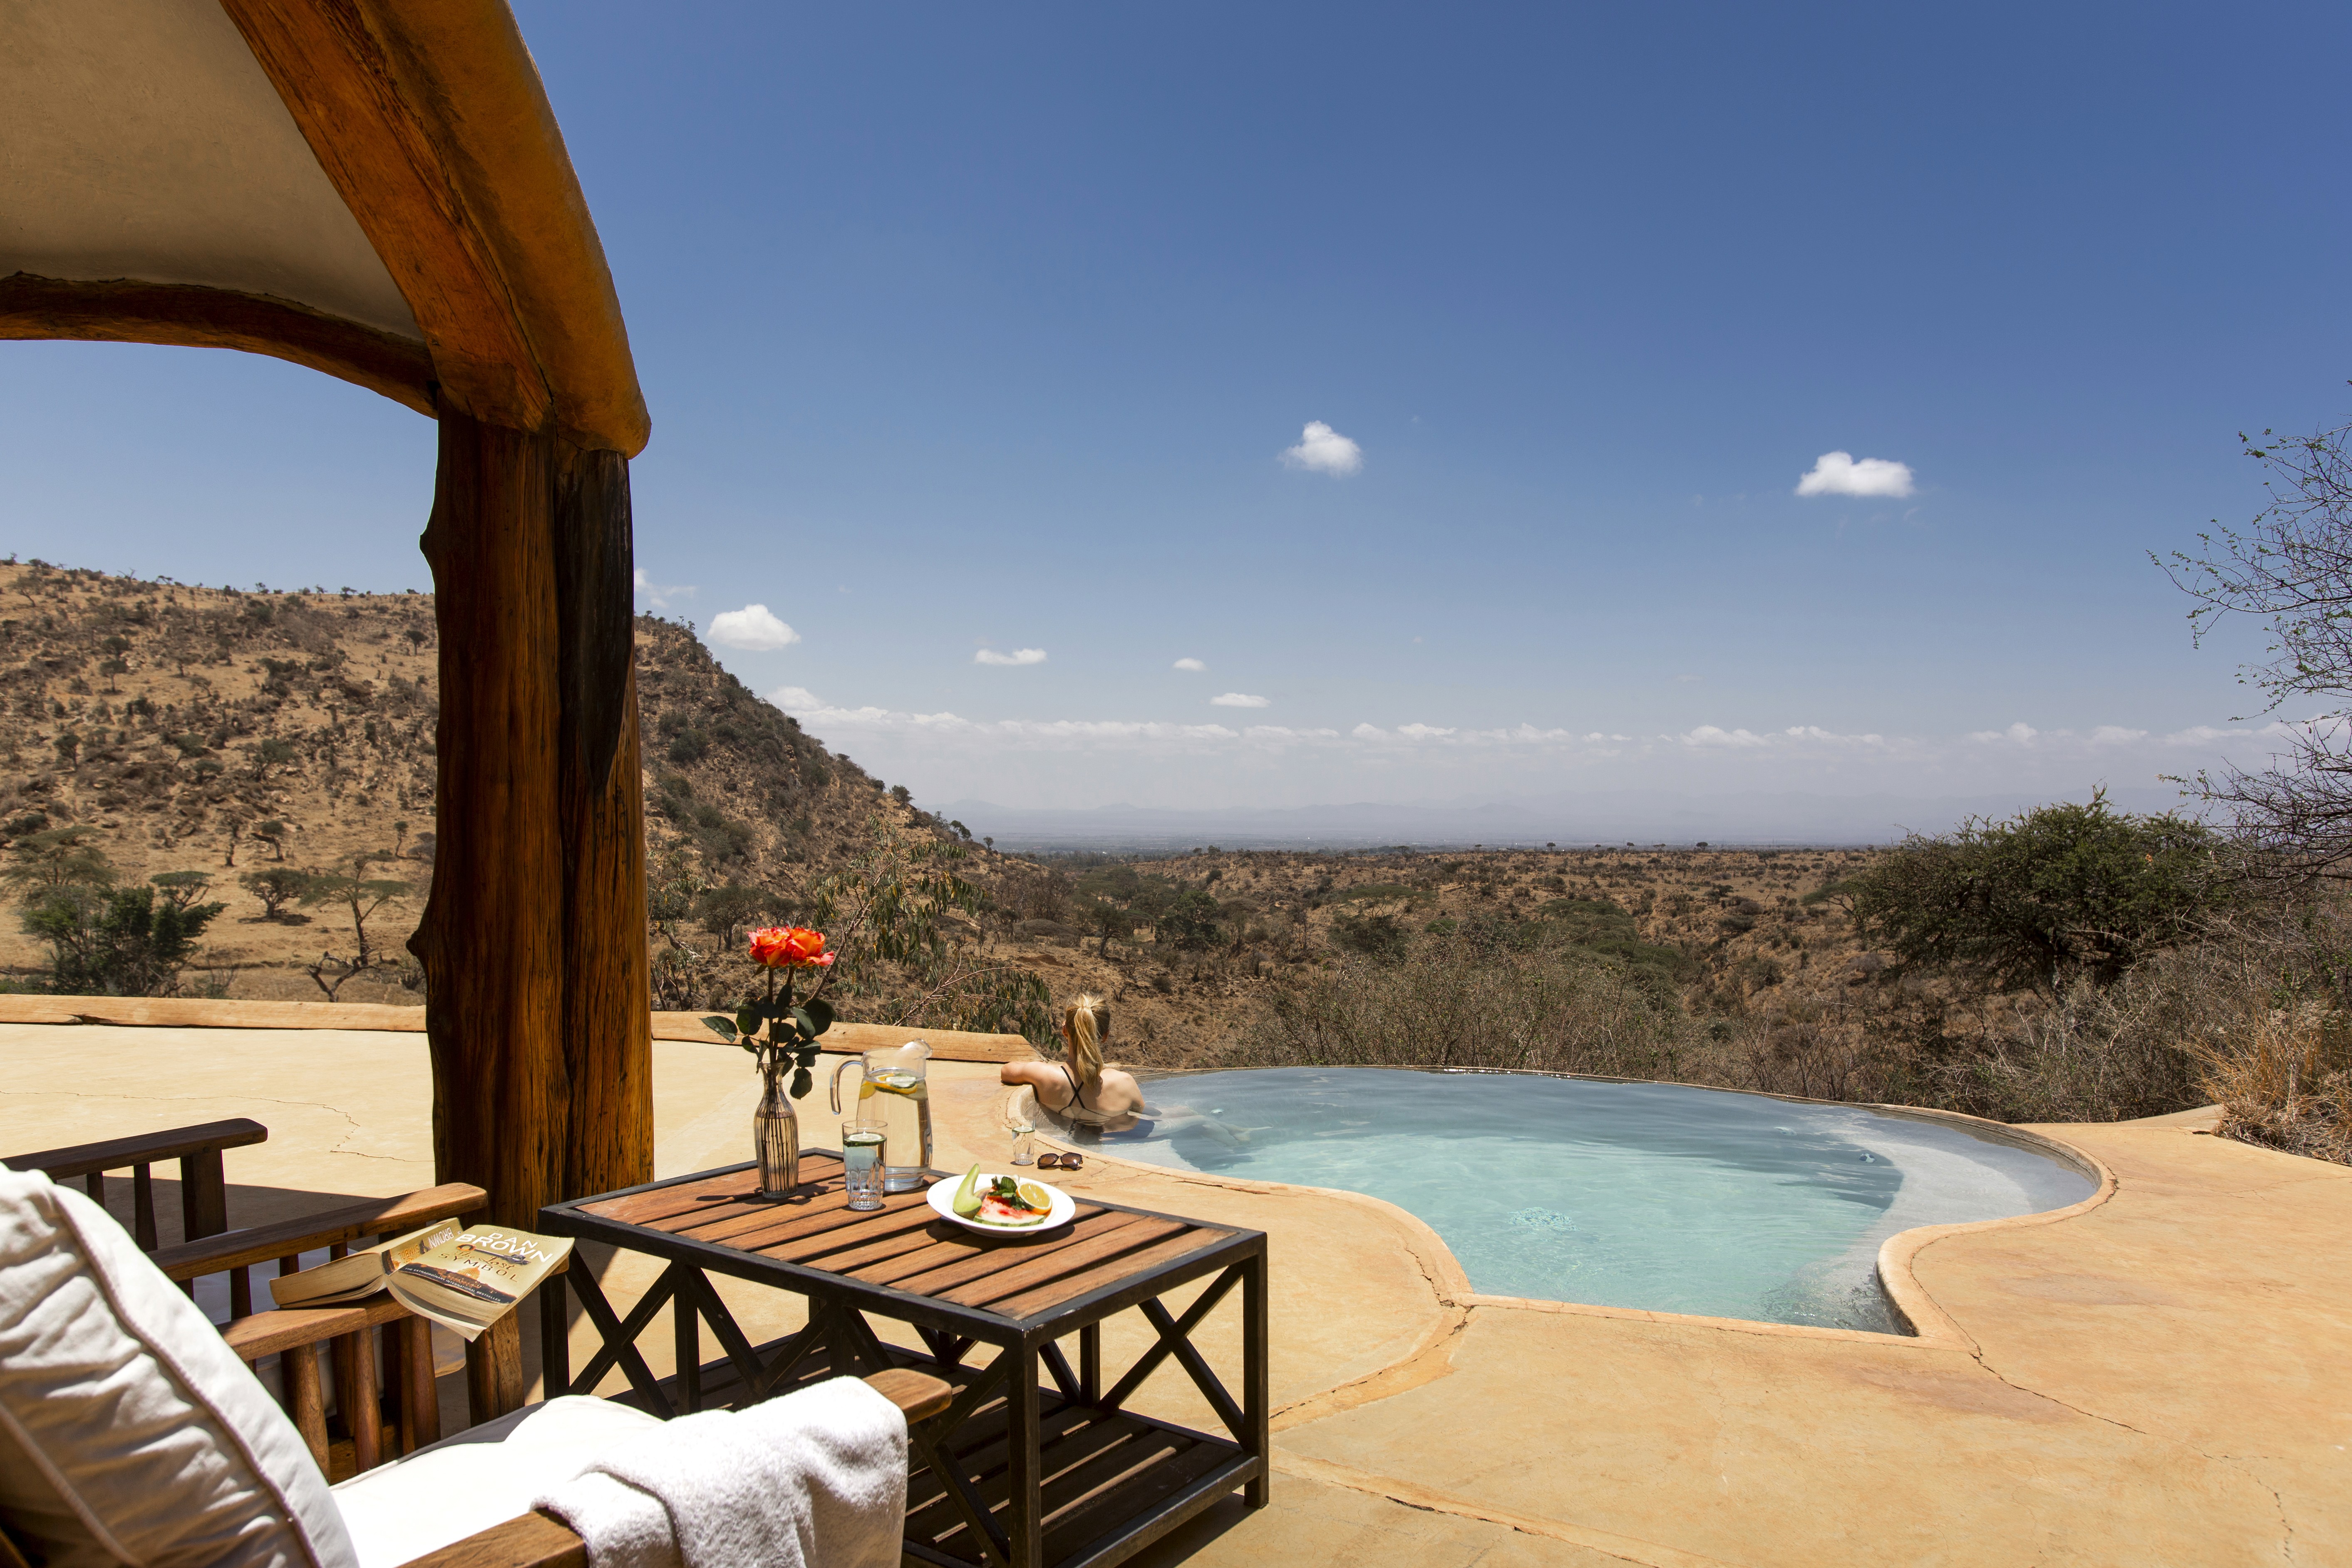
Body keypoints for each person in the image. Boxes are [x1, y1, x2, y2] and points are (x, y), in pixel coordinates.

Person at [1000, 993, 1146, 1132]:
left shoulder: (1042, 1075)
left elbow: (1007, 1071)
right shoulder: (1125, 1083)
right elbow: (1139, 1121)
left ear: (1065, 1030)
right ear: (1105, 1036)